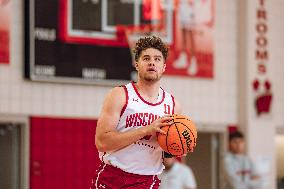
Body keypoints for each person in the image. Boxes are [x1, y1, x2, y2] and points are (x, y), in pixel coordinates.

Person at [92, 35, 182, 189]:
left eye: (157, 59)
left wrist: (177, 147)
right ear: (137, 64)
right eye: (146, 58)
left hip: (146, 181)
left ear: (164, 67)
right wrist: (147, 129)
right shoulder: (119, 95)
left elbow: (167, 158)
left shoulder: (173, 105)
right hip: (112, 177)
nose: (152, 62)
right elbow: (102, 142)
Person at [173, 0, 198, 75]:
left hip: (190, 7)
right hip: (182, 6)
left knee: (191, 36)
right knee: (183, 33)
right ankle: (184, 59)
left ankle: (193, 62)